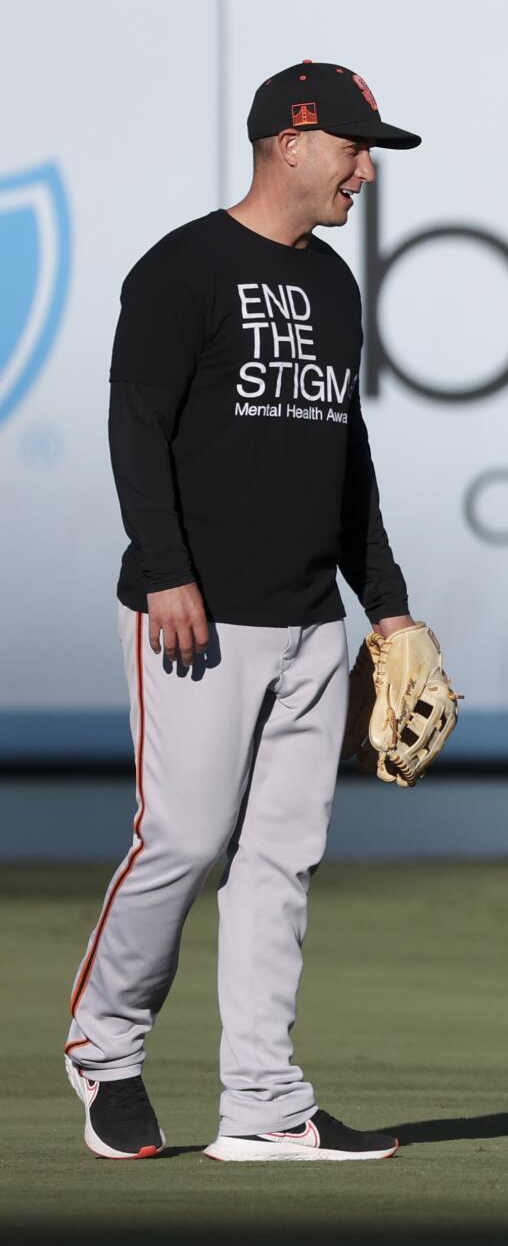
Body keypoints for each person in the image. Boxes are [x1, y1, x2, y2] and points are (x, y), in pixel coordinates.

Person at [66, 61, 423, 1160]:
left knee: (281, 860)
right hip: (199, 616)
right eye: (356, 147)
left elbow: (345, 449)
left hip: (313, 615)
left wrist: (390, 607)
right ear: (292, 141)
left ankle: (265, 1103)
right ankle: (105, 1049)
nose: (366, 170)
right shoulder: (182, 270)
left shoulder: (336, 288)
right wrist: (163, 565)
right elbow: (136, 425)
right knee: (179, 838)